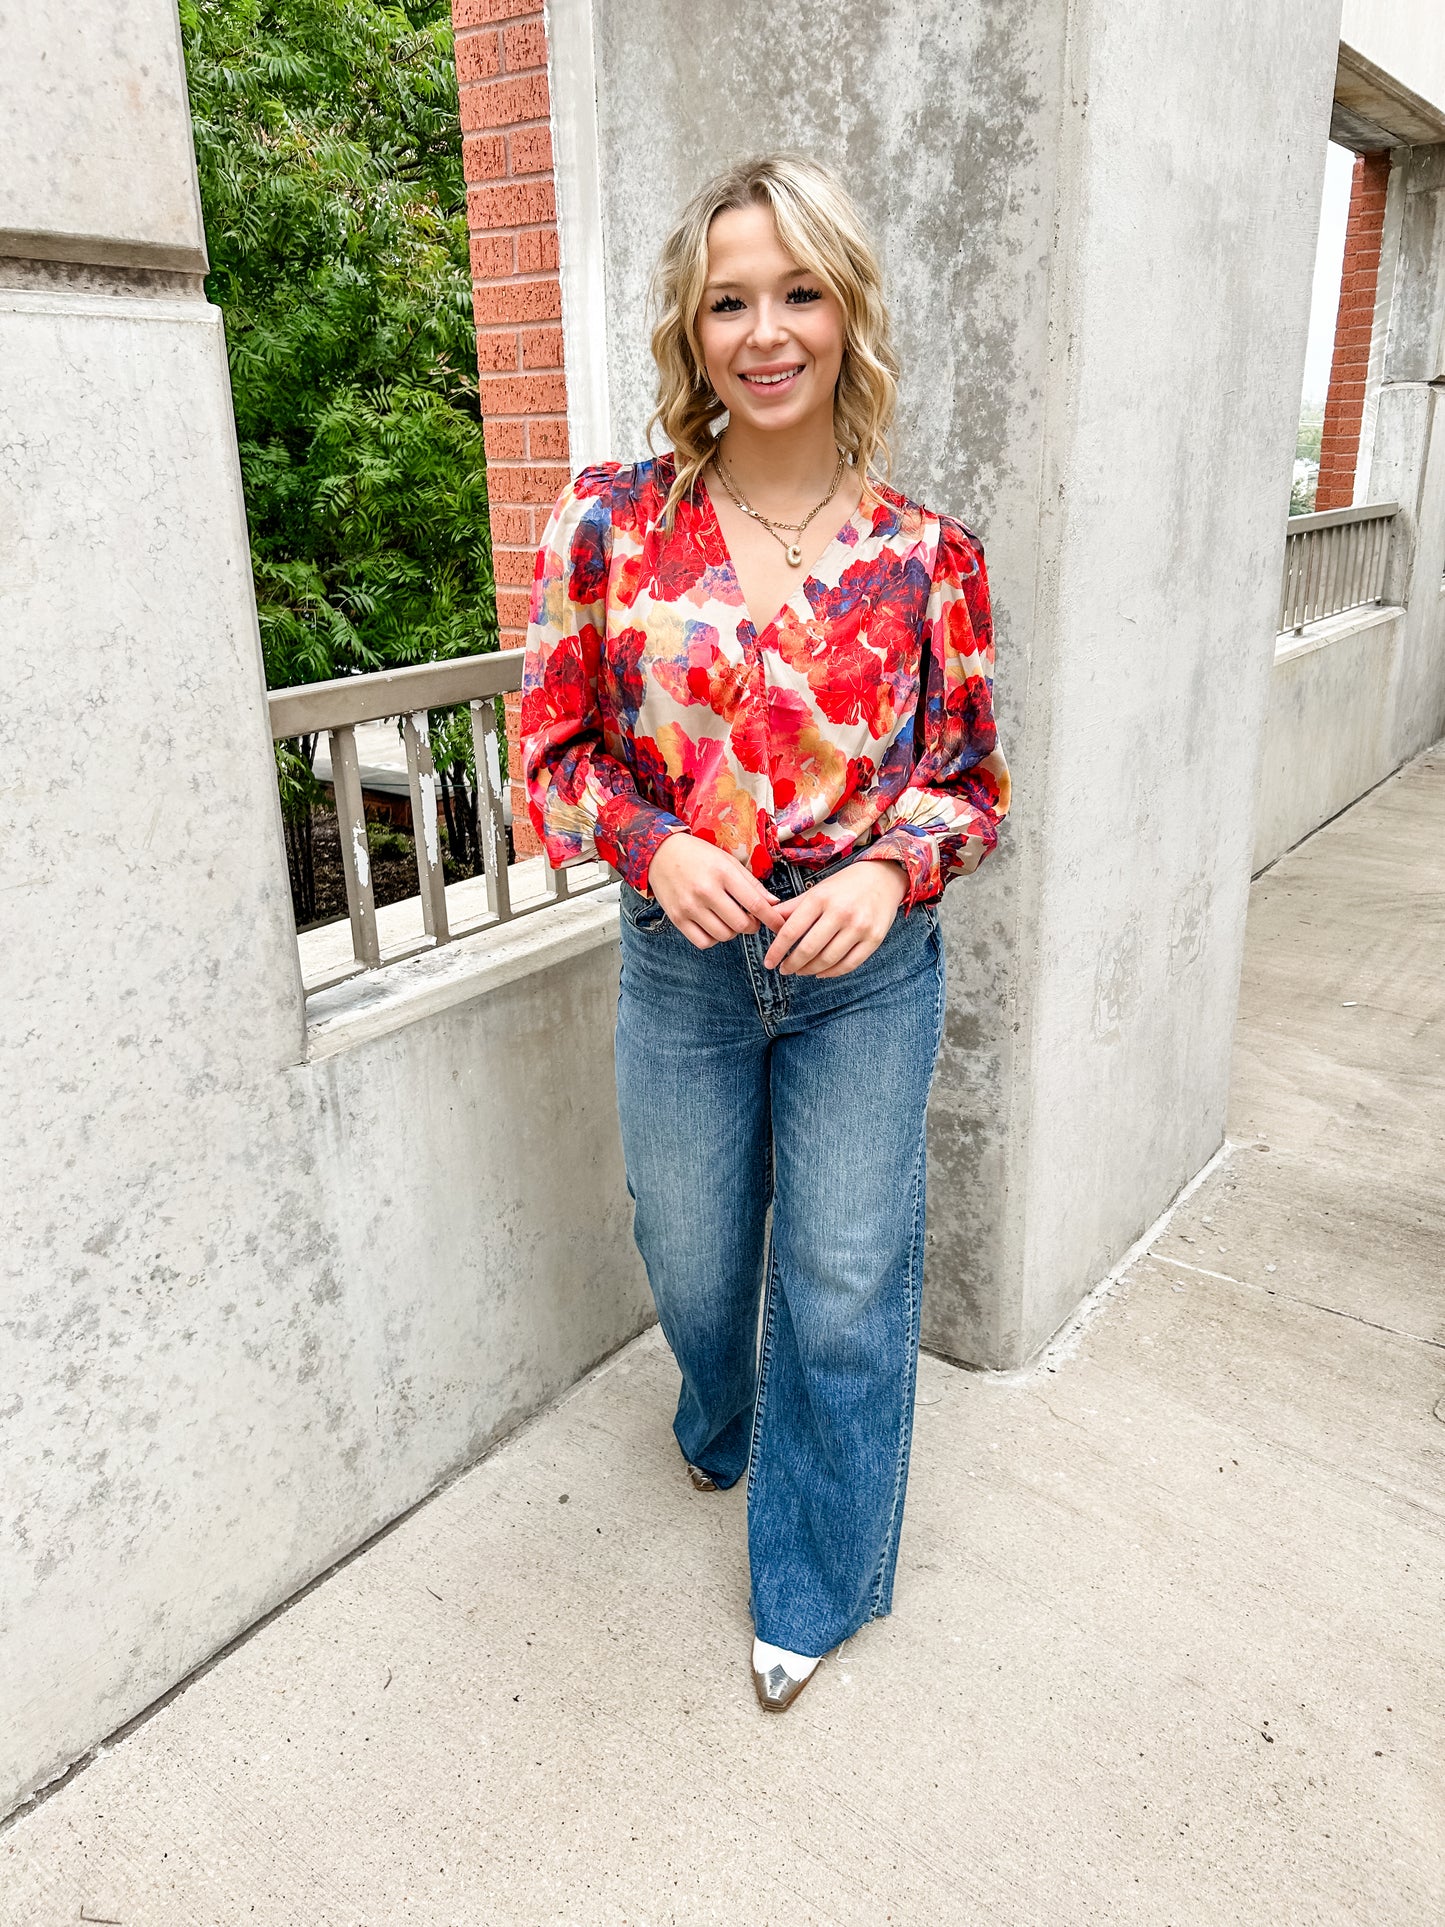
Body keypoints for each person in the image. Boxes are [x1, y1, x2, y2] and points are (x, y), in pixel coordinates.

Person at [520, 153, 1010, 1713]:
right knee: (690, 1246)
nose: (765, 328)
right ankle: (718, 1413)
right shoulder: (607, 524)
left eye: (797, 290)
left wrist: (886, 876)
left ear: (846, 310)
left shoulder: (928, 559)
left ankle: (812, 1580)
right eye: (729, 298)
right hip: (683, 959)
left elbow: (967, 784)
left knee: (850, 1271)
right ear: (689, 325)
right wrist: (654, 850)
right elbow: (551, 755)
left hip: (862, 973)